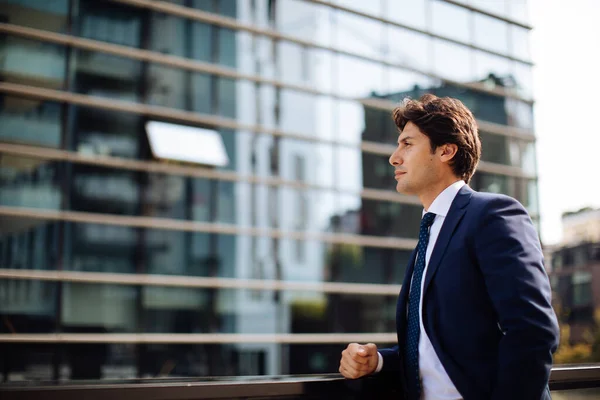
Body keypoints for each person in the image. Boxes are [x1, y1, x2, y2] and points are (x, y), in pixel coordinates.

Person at [338, 94, 559, 400]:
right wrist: (378, 361)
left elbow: (532, 330)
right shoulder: (428, 235)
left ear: (446, 151)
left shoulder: (493, 214)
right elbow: (439, 348)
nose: (394, 157)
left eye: (408, 144)